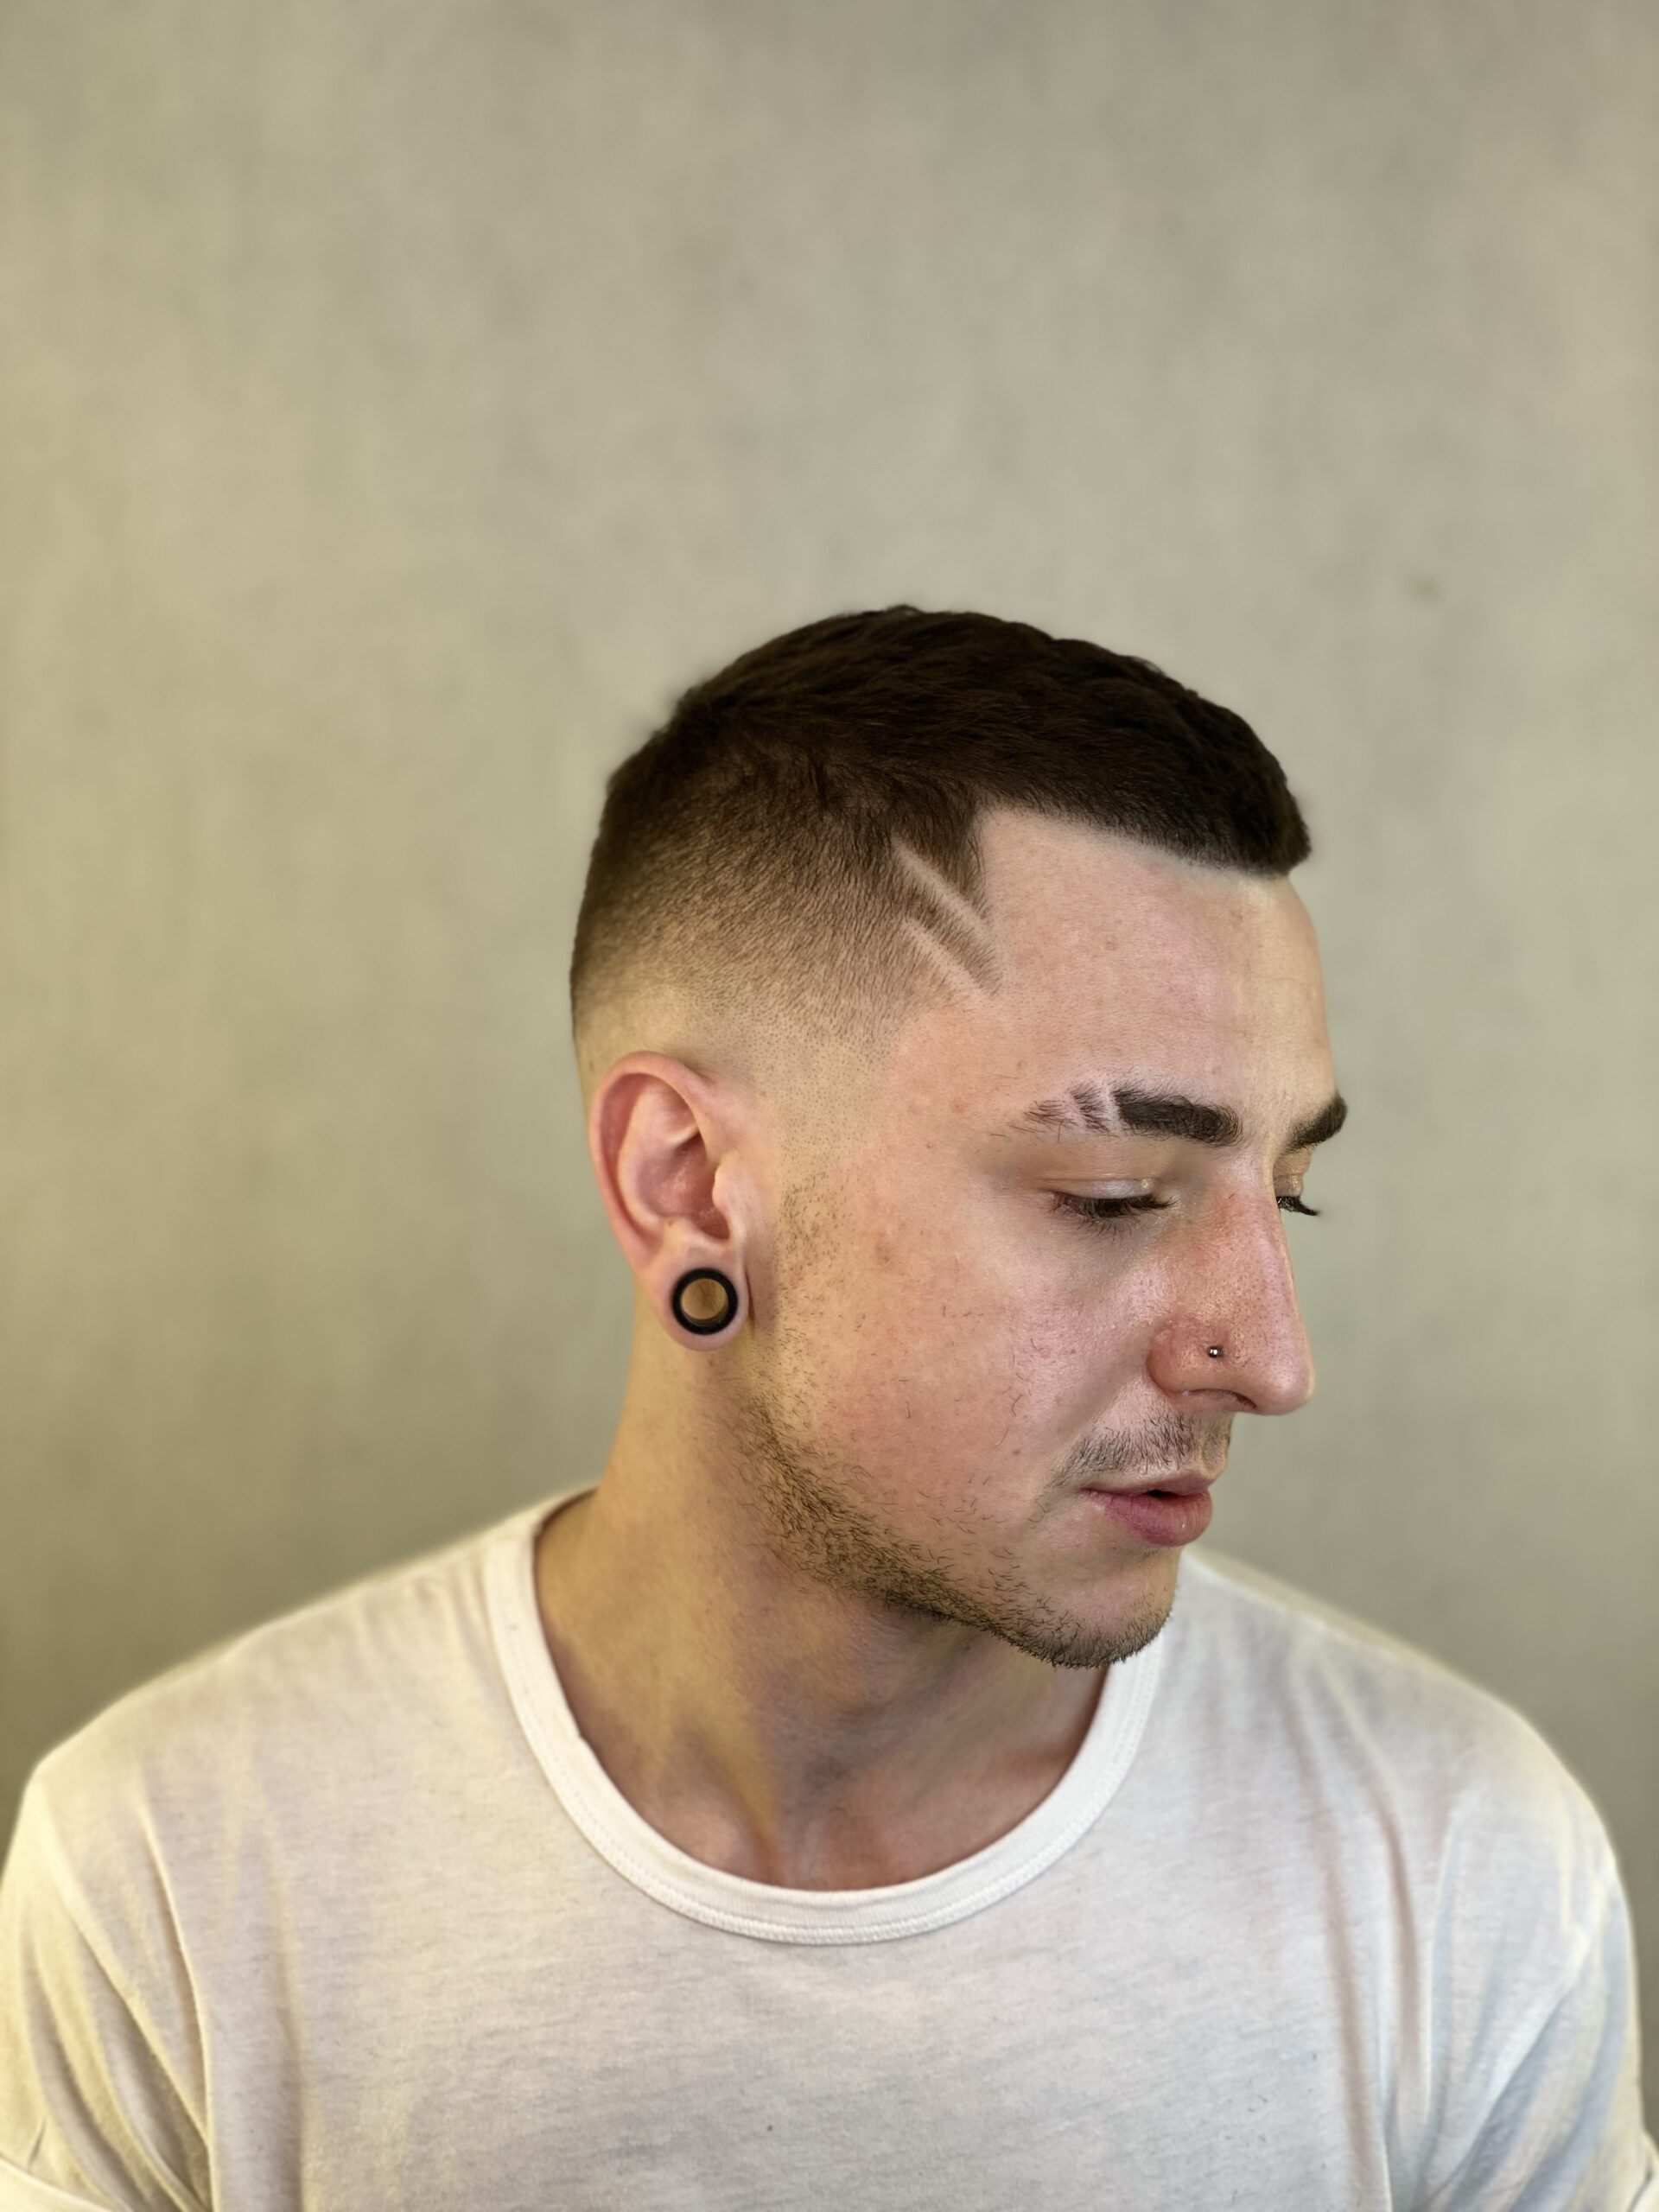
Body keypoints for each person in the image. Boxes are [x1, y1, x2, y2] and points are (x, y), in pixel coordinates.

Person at [0, 606, 1652, 2210]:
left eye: (1286, 1195)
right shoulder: (180, 1881)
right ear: (690, 1187)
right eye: (1115, 1194)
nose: (1274, 1365)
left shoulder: (1459, 1873)